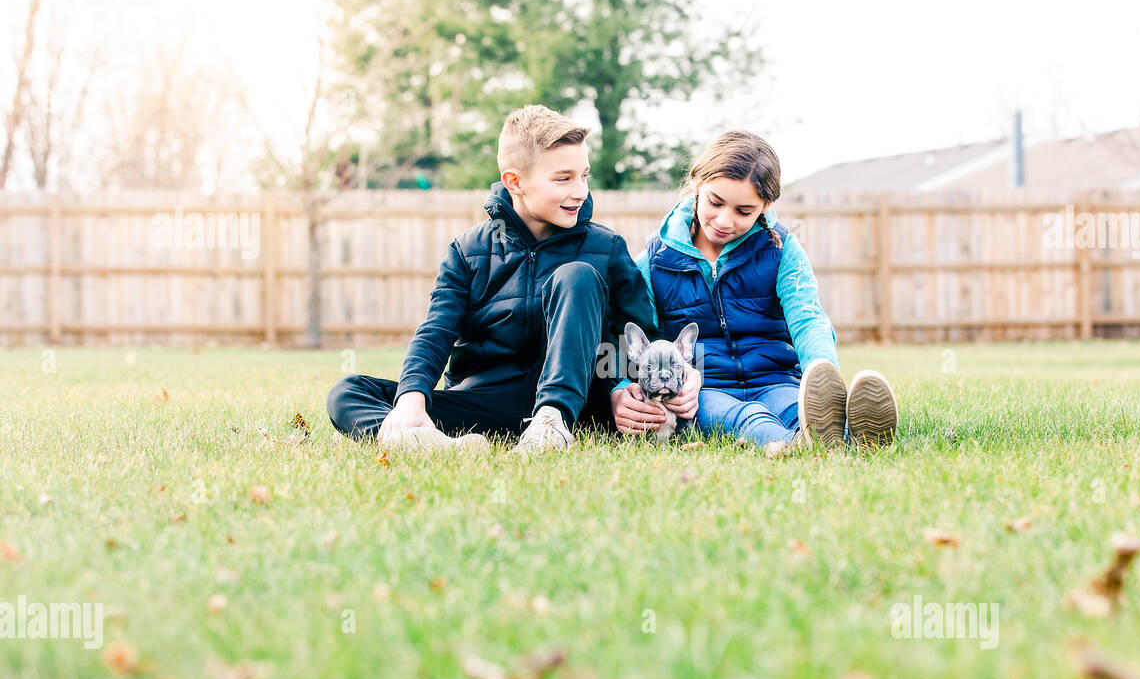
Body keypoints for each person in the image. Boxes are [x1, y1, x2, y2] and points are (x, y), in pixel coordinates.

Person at [327, 104, 699, 455]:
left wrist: (620, 390)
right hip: (488, 402)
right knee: (348, 391)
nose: (580, 190)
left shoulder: (606, 248)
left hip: (577, 407)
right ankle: (428, 441)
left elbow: (642, 339)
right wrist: (412, 398)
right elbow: (435, 331)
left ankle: (549, 425)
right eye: (563, 178)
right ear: (515, 182)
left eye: (583, 175)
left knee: (576, 276)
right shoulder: (468, 250)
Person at [610, 130, 897, 454]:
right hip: (704, 389)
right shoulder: (656, 259)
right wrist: (622, 390)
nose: (723, 220)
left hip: (775, 377)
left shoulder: (781, 250)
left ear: (766, 205)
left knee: (794, 408)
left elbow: (808, 318)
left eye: (744, 211)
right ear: (697, 185)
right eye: (715, 202)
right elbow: (632, 333)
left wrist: (822, 376)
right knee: (745, 417)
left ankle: (849, 430)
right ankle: (799, 443)